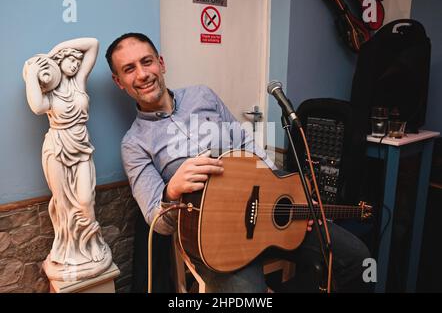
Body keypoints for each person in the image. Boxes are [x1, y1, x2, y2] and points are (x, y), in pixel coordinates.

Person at [105, 32, 371, 292]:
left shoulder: (202, 95)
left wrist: (291, 195)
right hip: (218, 241)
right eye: (129, 69)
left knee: (358, 258)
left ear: (161, 63)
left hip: (269, 212)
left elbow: (247, 145)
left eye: (147, 61)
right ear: (119, 82)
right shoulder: (133, 144)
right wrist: (171, 190)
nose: (142, 74)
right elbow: (156, 221)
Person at [24, 38, 112, 280]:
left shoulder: (79, 82)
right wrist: (33, 74)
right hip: (56, 149)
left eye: (76, 60)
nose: (74, 65)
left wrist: (53, 53)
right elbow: (37, 107)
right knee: (63, 205)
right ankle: (68, 252)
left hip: (82, 148)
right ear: (59, 64)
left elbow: (92, 44)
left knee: (85, 201)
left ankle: (92, 244)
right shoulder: (49, 94)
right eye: (69, 60)